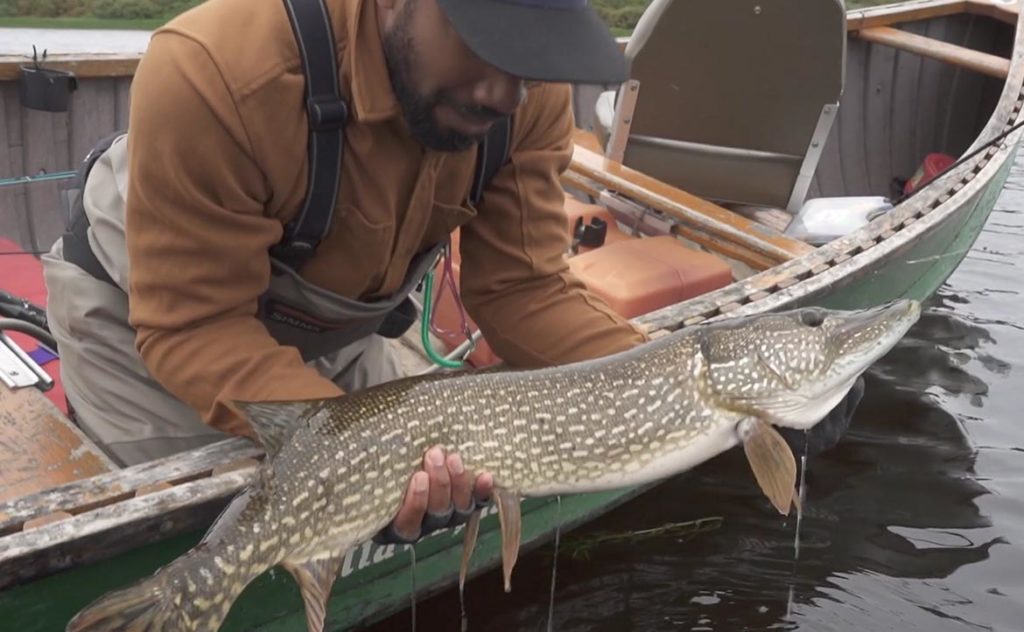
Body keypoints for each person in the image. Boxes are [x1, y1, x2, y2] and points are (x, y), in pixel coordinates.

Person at [41, 0, 862, 544]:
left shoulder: (521, 100)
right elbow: (196, 326)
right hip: (148, 330)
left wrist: (707, 388)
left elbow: (523, 290)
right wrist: (366, 459)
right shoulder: (215, 69)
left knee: (424, 482)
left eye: (531, 58)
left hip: (333, 330)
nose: (504, 89)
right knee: (223, 532)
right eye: (485, 44)